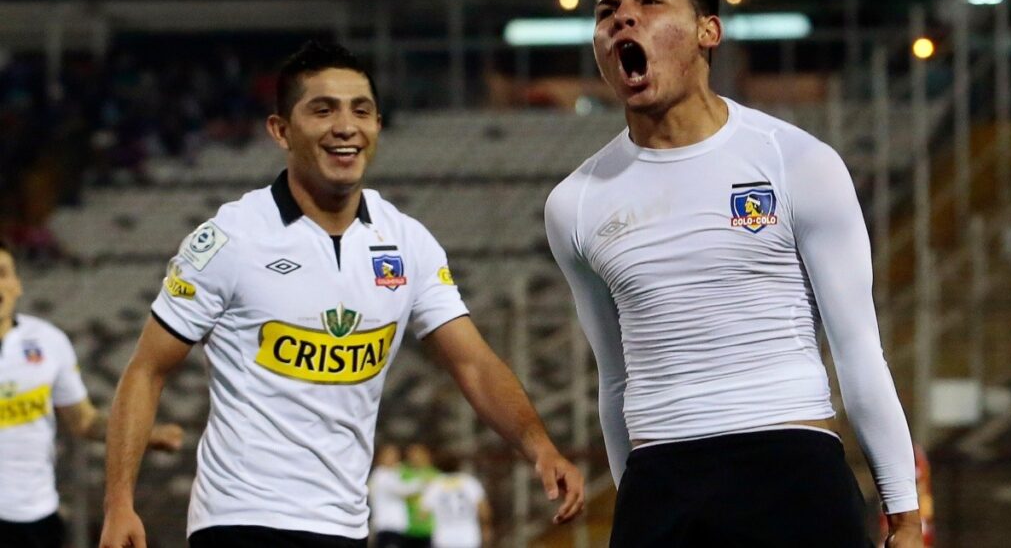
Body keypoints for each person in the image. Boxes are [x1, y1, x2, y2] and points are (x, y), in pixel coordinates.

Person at [99, 40, 584, 548]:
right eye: (322, 109)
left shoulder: (407, 241)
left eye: (362, 110)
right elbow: (146, 369)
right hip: (240, 518)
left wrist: (540, 447)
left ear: (377, 127)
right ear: (280, 130)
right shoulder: (230, 238)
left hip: (344, 525)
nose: (346, 125)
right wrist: (119, 503)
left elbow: (474, 364)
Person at [544, 0, 922, 548]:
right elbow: (614, 381)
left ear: (707, 31)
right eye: (607, 12)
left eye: (649, 2)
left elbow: (858, 351)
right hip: (660, 481)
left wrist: (903, 514)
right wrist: (634, 495)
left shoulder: (796, 161)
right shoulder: (575, 204)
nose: (622, 20)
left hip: (791, 470)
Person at [0, 240, 182, 548]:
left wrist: (145, 434)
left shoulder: (48, 341)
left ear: (18, 284)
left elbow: (83, 421)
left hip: (34, 514)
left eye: (2, 273)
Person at [419, 459, 491, 548]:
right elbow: (483, 508)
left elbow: (423, 515)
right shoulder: (470, 482)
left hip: (443, 536)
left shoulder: (434, 485)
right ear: (459, 466)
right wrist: (486, 527)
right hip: (468, 535)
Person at [368, 444, 417, 548]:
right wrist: (422, 482)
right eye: (389, 455)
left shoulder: (389, 474)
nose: (393, 458)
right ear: (380, 457)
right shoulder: (381, 475)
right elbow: (402, 490)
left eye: (395, 455)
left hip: (394, 527)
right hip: (387, 525)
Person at [400, 443, 438, 548]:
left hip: (429, 528)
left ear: (426, 455)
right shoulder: (402, 473)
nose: (415, 457)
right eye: (412, 454)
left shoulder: (435, 475)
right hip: (406, 528)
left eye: (418, 454)